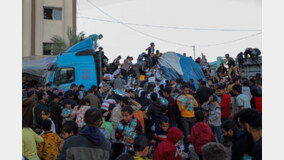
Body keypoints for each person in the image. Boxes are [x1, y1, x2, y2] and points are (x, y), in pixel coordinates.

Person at [177, 84, 198, 153]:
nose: (187, 92)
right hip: (184, 118)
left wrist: (193, 100)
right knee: (186, 134)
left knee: (192, 133)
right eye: (185, 90)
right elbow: (181, 110)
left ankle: (193, 146)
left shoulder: (190, 96)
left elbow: (196, 105)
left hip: (192, 116)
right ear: (182, 90)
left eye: (188, 90)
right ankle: (186, 149)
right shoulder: (179, 98)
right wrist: (186, 104)